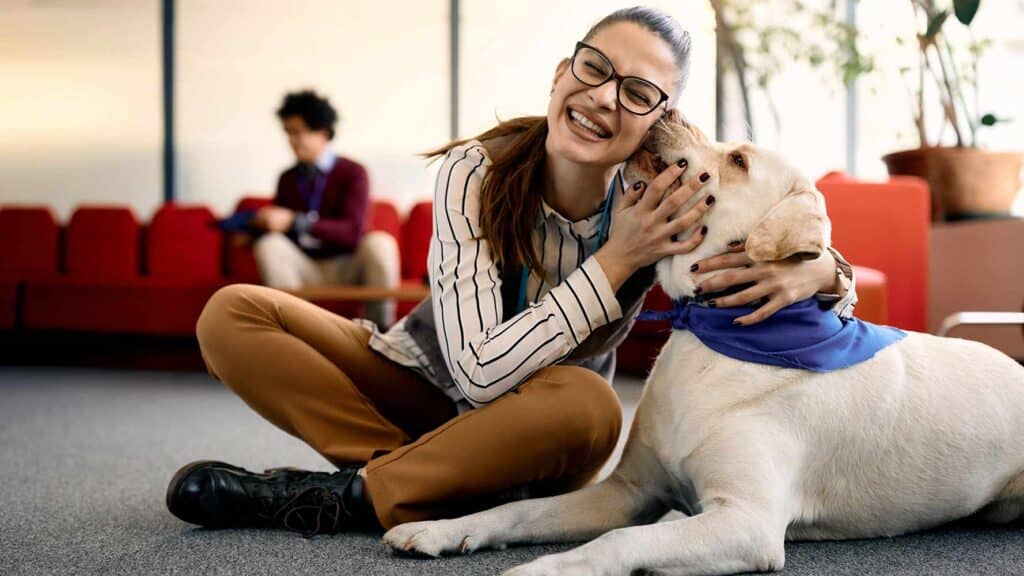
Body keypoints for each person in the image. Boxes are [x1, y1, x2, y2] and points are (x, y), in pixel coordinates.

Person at [166, 7, 856, 536]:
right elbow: (474, 374)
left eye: (638, 91)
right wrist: (618, 258)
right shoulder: (478, 169)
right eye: (593, 69)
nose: (605, 97)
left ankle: (356, 495)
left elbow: (770, 219)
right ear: (561, 75)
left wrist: (823, 271)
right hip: (424, 379)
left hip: (542, 428)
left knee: (590, 406)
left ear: (658, 120)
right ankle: (414, 481)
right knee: (233, 312)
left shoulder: (666, 192)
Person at [251, 89, 398, 328]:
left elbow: (353, 232)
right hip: (305, 266)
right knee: (269, 245)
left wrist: (296, 221)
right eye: (288, 132)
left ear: (322, 131)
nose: (292, 140)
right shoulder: (287, 178)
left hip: (347, 264)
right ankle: (292, 334)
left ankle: (381, 336)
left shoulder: (353, 172)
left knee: (381, 243)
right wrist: (258, 228)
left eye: (298, 132)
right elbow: (284, 235)